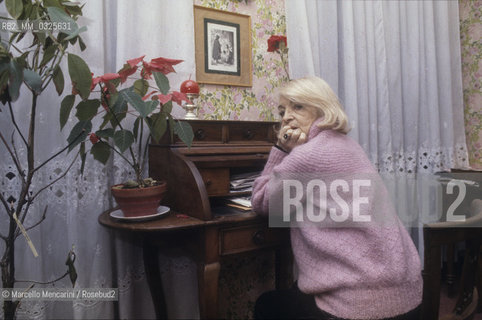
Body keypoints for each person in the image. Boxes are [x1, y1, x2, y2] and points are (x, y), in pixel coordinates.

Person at [251, 77, 422, 320]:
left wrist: (281, 150)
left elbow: (262, 203)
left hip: (362, 304)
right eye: (282, 111)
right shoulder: (349, 145)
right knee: (294, 292)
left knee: (267, 305)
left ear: (322, 107)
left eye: (297, 106)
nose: (286, 117)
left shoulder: (307, 155)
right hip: (405, 293)